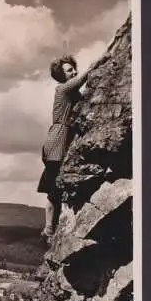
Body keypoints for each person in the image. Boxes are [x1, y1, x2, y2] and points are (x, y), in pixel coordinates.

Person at [37, 52, 110, 244]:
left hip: (60, 142)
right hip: (56, 143)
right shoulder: (62, 89)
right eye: (69, 70)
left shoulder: (72, 93)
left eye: (73, 68)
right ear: (61, 75)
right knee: (54, 192)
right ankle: (49, 230)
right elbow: (81, 80)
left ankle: (50, 229)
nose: (74, 72)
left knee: (57, 190)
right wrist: (98, 62)